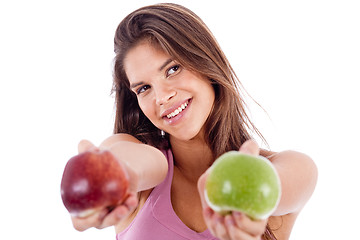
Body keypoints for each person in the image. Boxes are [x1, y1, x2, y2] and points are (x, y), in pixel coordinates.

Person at [70, 3, 317, 240]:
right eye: (144, 88)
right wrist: (114, 176)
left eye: (173, 69)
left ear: (205, 61)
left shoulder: (292, 167)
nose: (162, 97)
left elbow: (279, 184)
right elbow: (133, 161)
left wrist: (248, 189)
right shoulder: (149, 172)